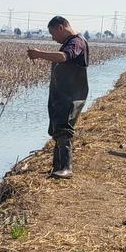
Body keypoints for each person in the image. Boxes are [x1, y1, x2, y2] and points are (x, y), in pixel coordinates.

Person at [27, 16, 90, 179]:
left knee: (64, 128)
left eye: (53, 33)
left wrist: (39, 54)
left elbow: (63, 57)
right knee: (57, 129)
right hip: (61, 93)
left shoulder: (76, 42)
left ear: (61, 27)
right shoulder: (69, 42)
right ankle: (56, 166)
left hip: (71, 93)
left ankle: (66, 168)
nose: (53, 38)